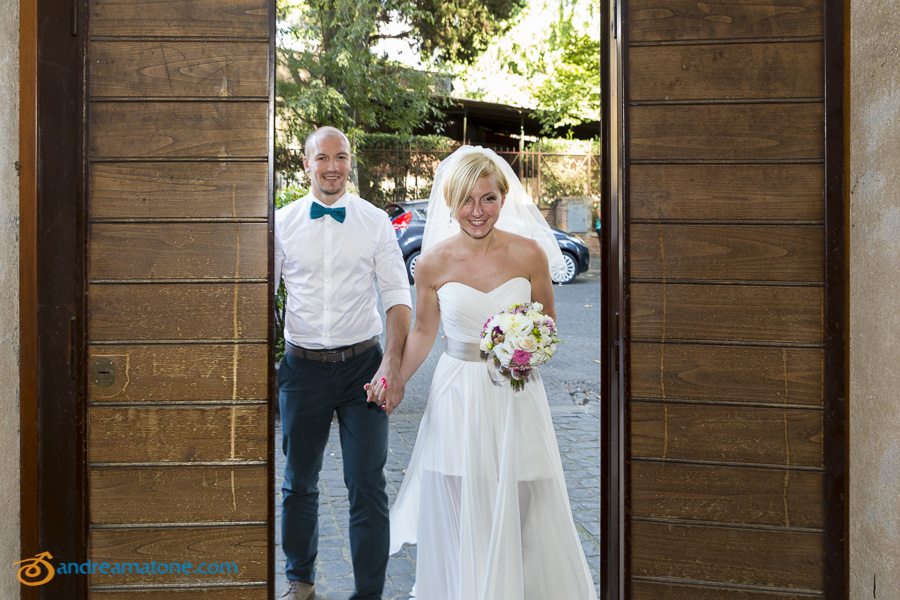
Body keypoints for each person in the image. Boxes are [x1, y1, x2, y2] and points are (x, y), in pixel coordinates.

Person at [381, 147, 598, 599]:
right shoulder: (432, 263)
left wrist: (526, 349)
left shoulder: (531, 254)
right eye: (466, 200)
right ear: (450, 201)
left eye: (488, 199)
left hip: (516, 394)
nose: (477, 212)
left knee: (519, 509)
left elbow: (548, 326)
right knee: (460, 508)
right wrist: (395, 378)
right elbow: (422, 331)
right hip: (457, 395)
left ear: (504, 199)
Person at [275, 126, 412, 600]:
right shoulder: (280, 223)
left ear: (350, 162)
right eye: (322, 158)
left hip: (363, 369)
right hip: (302, 369)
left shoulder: (374, 221)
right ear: (306, 164)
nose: (332, 166)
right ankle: (301, 582)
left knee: (368, 487)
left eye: (341, 157)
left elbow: (397, 297)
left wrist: (391, 366)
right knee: (297, 484)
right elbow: (257, 298)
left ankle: (369, 594)